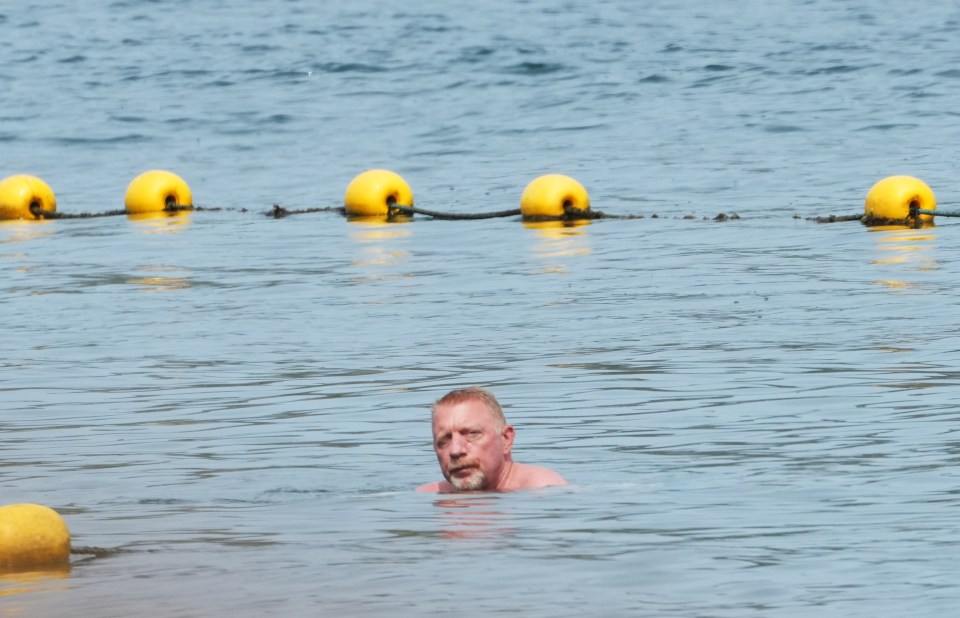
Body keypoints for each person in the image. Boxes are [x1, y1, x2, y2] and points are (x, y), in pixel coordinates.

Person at [417, 387, 567, 493]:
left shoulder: (542, 489)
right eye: (444, 441)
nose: (456, 450)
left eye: (472, 433)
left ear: (506, 439)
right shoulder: (429, 495)